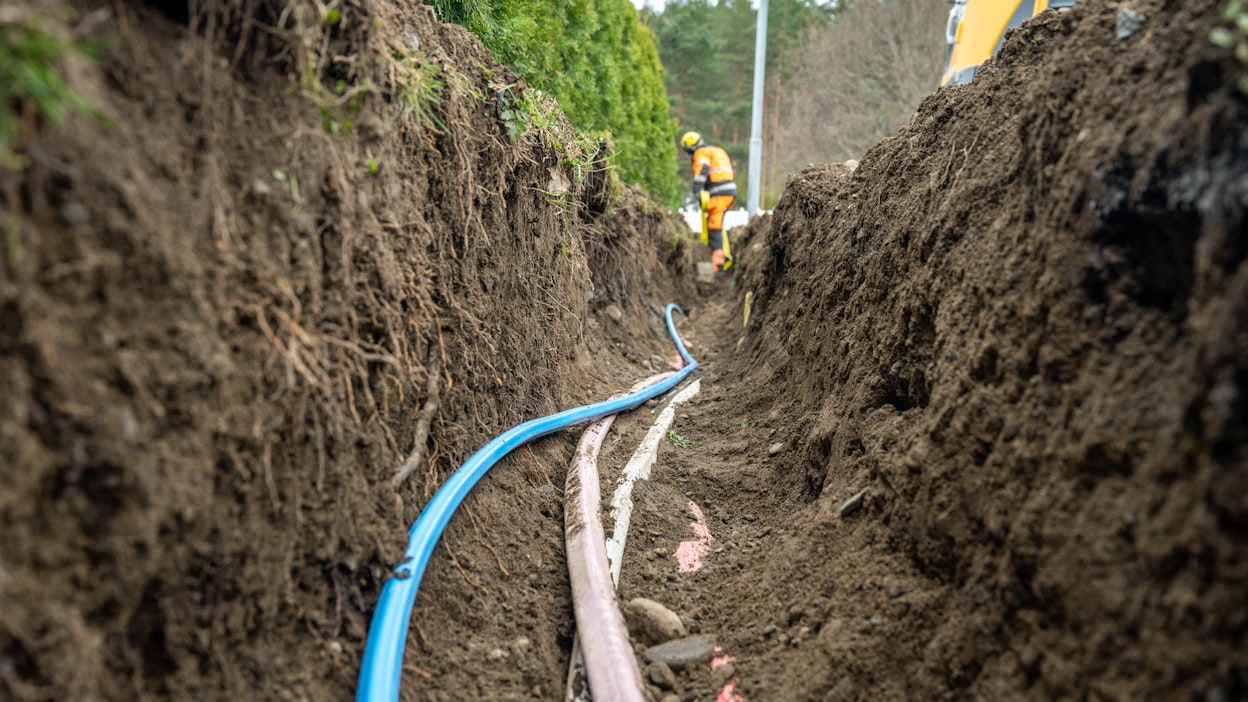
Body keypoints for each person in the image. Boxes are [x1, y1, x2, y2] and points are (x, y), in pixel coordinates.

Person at [680, 131, 737, 273]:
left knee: (714, 227)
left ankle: (718, 267)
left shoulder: (701, 153)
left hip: (719, 193)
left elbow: (702, 171)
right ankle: (719, 263)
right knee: (716, 225)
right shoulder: (718, 151)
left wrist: (697, 190)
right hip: (729, 191)